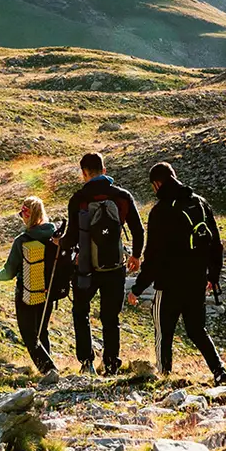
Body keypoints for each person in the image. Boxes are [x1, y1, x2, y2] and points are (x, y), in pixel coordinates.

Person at [131, 162, 226, 384]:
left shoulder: (160, 211)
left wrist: (138, 288)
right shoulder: (200, 204)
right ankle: (220, 372)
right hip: (196, 280)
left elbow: (153, 255)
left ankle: (164, 376)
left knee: (163, 332)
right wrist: (213, 277)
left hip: (168, 284)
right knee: (197, 330)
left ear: (157, 184)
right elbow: (216, 245)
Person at [63, 151, 144, 375]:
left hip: (86, 268)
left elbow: (71, 237)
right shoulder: (122, 196)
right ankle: (111, 364)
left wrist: (58, 242)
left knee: (81, 312)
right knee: (110, 317)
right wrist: (136, 255)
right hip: (115, 266)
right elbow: (138, 230)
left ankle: (87, 362)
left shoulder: (78, 198)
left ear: (84, 173)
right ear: (104, 170)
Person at [0, 197, 61, 377]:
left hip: (27, 293)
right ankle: (49, 367)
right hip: (48, 292)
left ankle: (48, 370)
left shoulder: (22, 240)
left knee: (30, 336)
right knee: (42, 330)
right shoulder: (55, 235)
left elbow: (8, 272)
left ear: (26, 215)